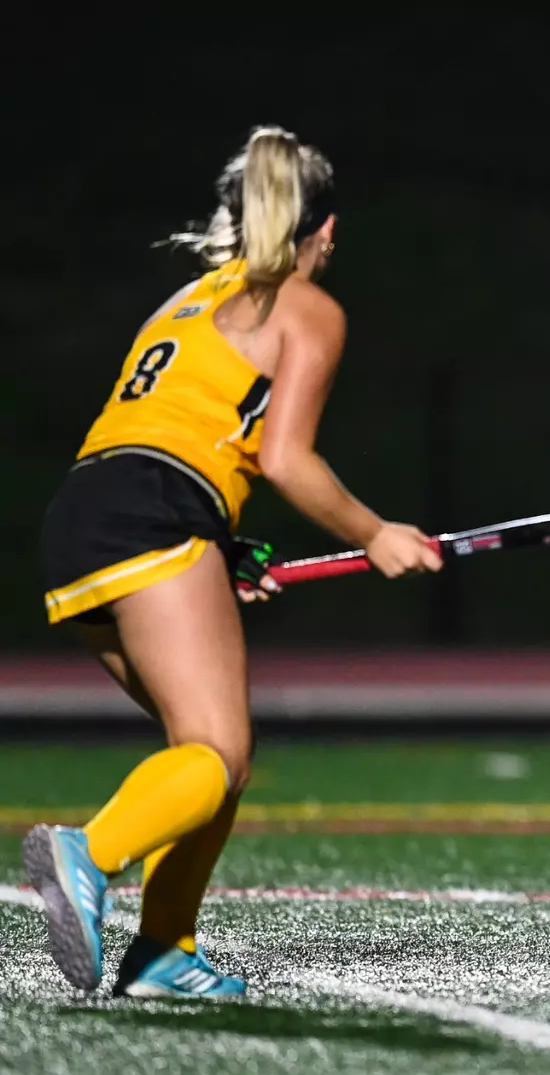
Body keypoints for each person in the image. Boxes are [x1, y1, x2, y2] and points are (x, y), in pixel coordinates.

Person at [25, 125, 442, 998]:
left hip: (84, 516)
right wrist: (375, 533)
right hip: (152, 512)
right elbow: (287, 459)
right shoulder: (309, 308)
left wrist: (219, 546)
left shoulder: (184, 300)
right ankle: (87, 853)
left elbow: (172, 433)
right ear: (323, 232)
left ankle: (163, 952)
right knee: (216, 750)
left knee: (213, 756)